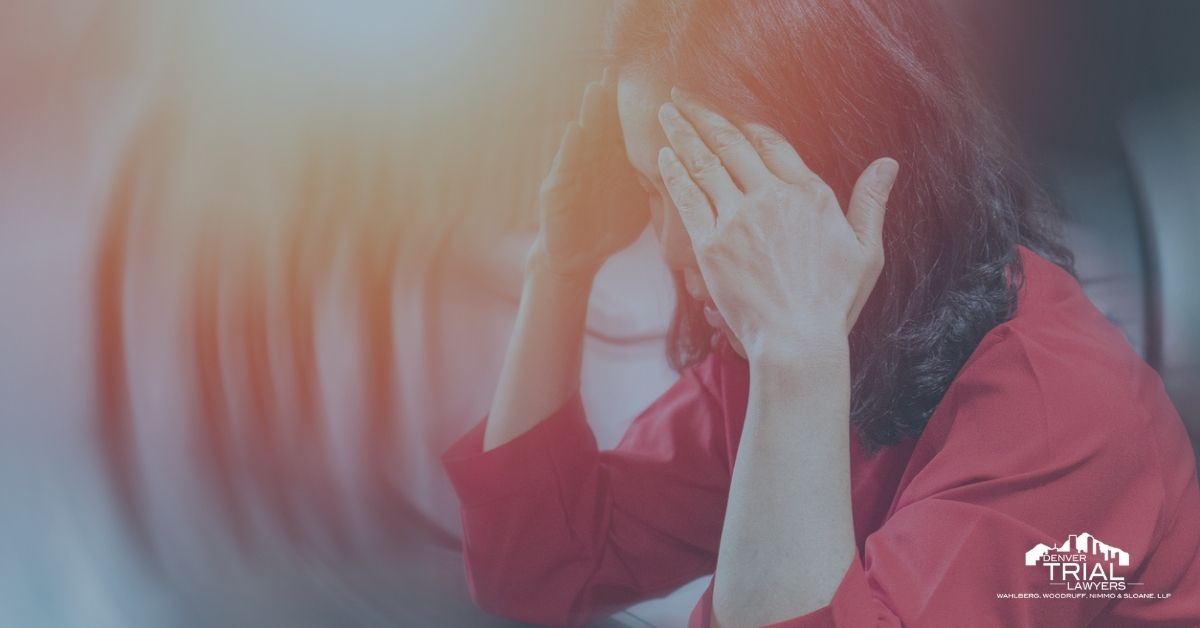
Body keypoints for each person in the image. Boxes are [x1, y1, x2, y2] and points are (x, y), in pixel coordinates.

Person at [442, 0, 1200, 625]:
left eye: (709, 197)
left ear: (850, 163)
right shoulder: (795, 344)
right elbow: (536, 569)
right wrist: (560, 266)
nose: (671, 247)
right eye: (651, 190)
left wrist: (796, 361)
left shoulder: (1061, 413)